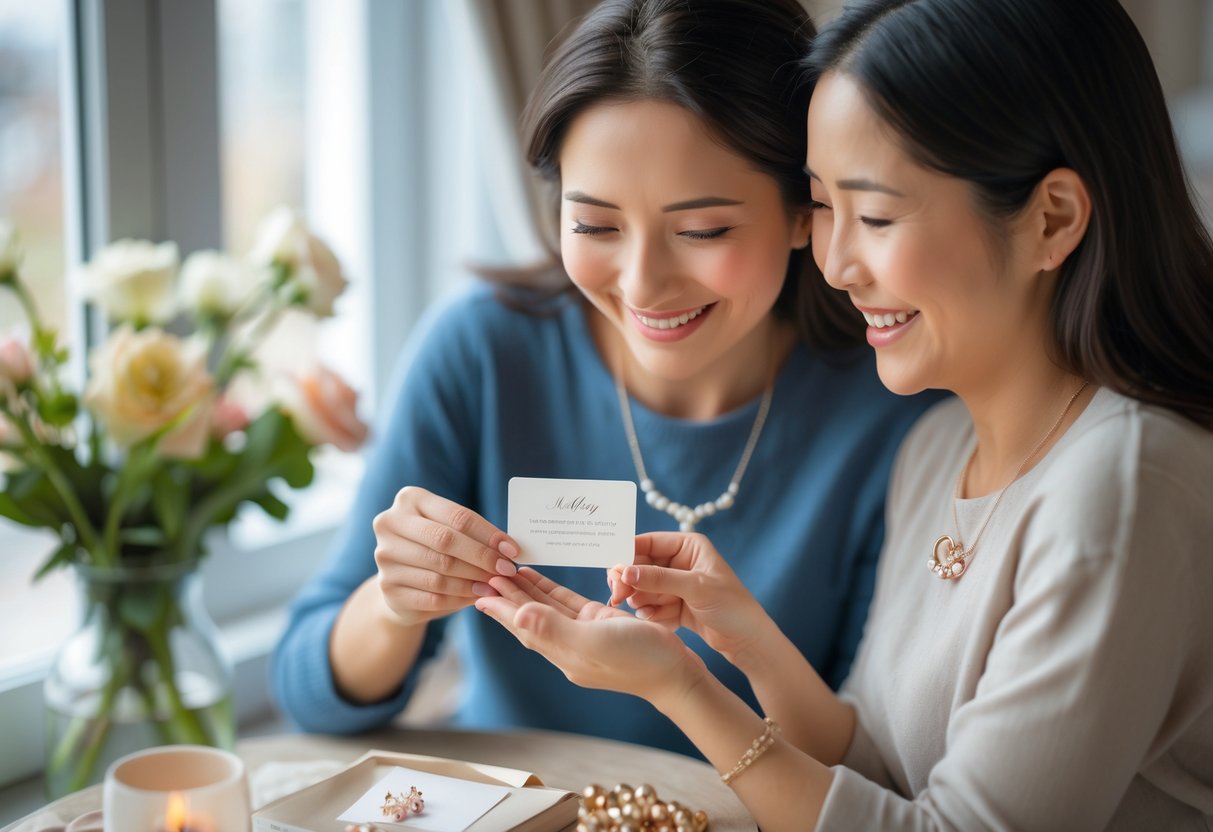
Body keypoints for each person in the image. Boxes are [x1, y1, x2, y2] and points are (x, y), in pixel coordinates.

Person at [476, 0, 1213, 827]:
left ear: (1052, 219)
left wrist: (678, 688)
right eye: (823, 207)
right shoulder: (936, 447)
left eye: (875, 215)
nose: (832, 264)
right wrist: (738, 635)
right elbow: (881, 769)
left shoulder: (1122, 488)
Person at [270, 0, 939, 756]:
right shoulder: (484, 351)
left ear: (802, 213)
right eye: (594, 226)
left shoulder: (892, 403)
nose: (643, 282)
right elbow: (307, 695)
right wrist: (394, 605)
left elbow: (867, 764)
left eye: (702, 230)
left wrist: (684, 683)